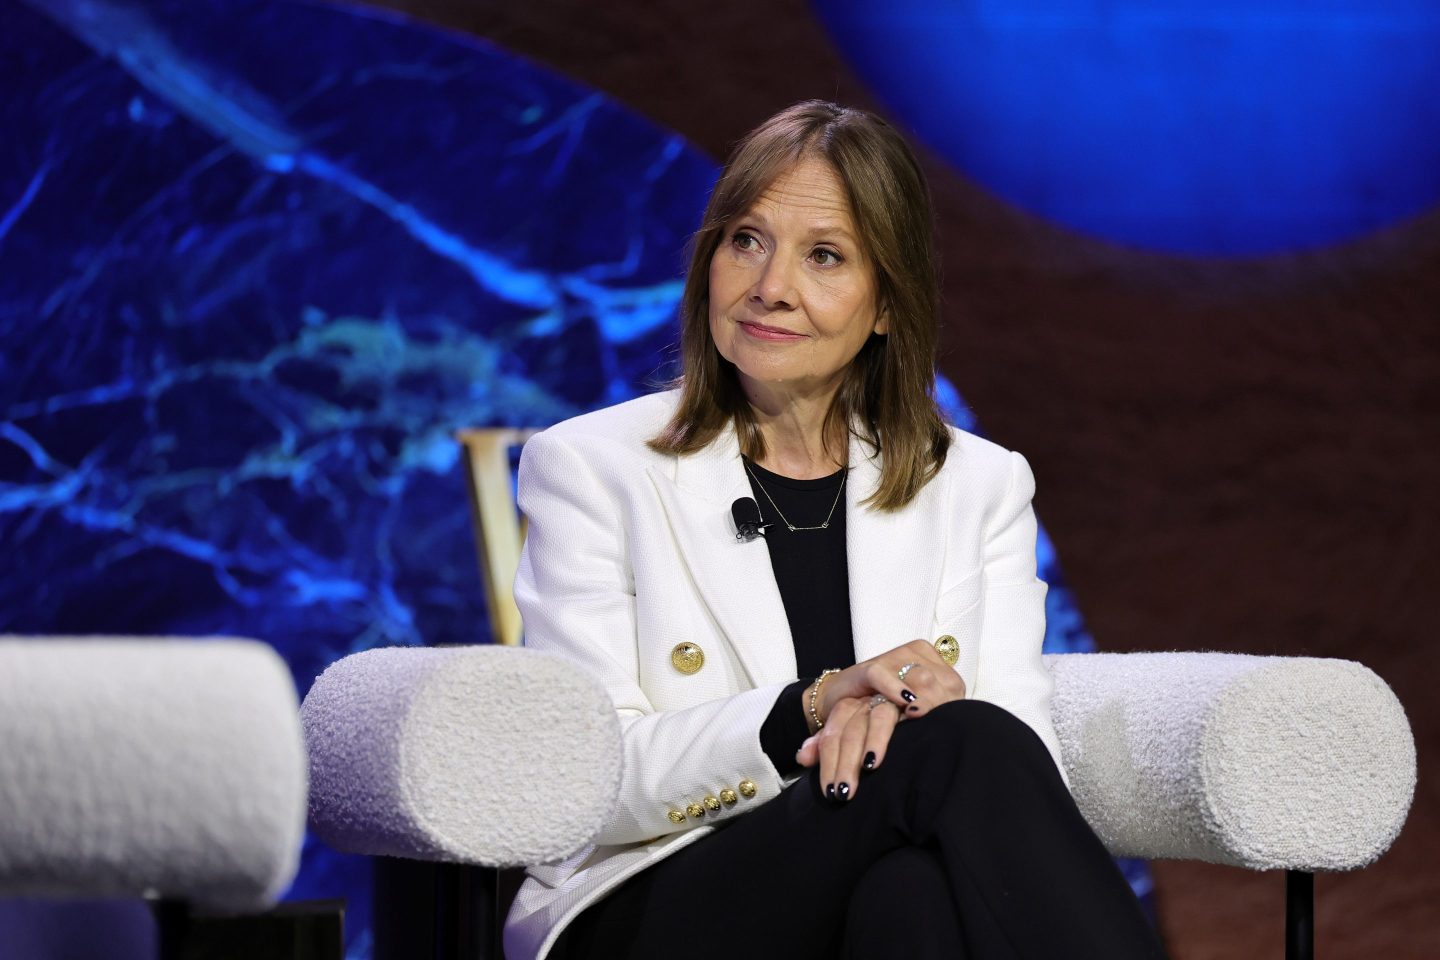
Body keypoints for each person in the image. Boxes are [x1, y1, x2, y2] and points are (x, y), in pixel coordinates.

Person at [503, 101, 1166, 960]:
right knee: (956, 745)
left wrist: (908, 718)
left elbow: (1019, 748)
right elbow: (592, 778)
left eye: (823, 256)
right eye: (746, 240)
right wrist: (813, 708)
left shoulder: (978, 483)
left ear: (887, 303)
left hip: (867, 872)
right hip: (656, 896)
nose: (770, 286)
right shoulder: (591, 466)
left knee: (914, 895)